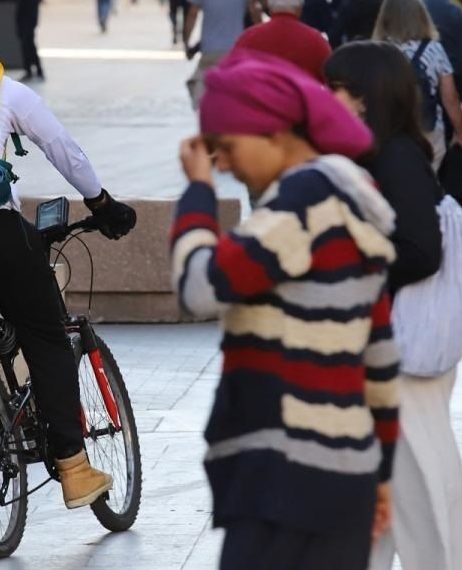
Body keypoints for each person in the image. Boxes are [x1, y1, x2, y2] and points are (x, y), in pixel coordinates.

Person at [170, 53, 399, 569]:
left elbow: (201, 287)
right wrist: (381, 473)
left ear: (272, 132)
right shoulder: (352, 204)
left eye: (226, 147)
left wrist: (198, 194)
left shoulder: (301, 201)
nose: (223, 164)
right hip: (345, 474)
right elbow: (380, 361)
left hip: (283, 474)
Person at [0, 5, 137, 509]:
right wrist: (101, 202)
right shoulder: (3, 91)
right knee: (46, 337)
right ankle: (75, 468)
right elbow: (63, 149)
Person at [325, 41, 462, 570]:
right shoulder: (384, 154)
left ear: (368, 98)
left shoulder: (396, 158)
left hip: (403, 352)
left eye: (338, 89)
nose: (327, 98)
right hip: (391, 349)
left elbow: (420, 251)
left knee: (422, 496)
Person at [372, 0, 462, 167]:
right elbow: (450, 97)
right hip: (429, 128)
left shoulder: (376, 51)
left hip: (390, 133)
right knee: (432, 181)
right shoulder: (434, 49)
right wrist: (459, 134)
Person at [183, 0, 263, 108]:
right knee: (235, 93)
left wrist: (187, 42)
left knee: (204, 91)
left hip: (210, 49)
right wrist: (259, 37)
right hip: (236, 49)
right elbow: (255, 11)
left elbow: (192, 14)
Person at [233, 0, 332, 81]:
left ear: (270, 8)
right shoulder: (315, 40)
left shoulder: (248, 37)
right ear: (300, 9)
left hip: (258, 95)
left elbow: (233, 74)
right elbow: (330, 77)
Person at [15, 0, 50, 81]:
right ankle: (29, 69)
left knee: (28, 38)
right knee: (22, 37)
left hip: (31, 6)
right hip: (21, 6)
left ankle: (37, 69)